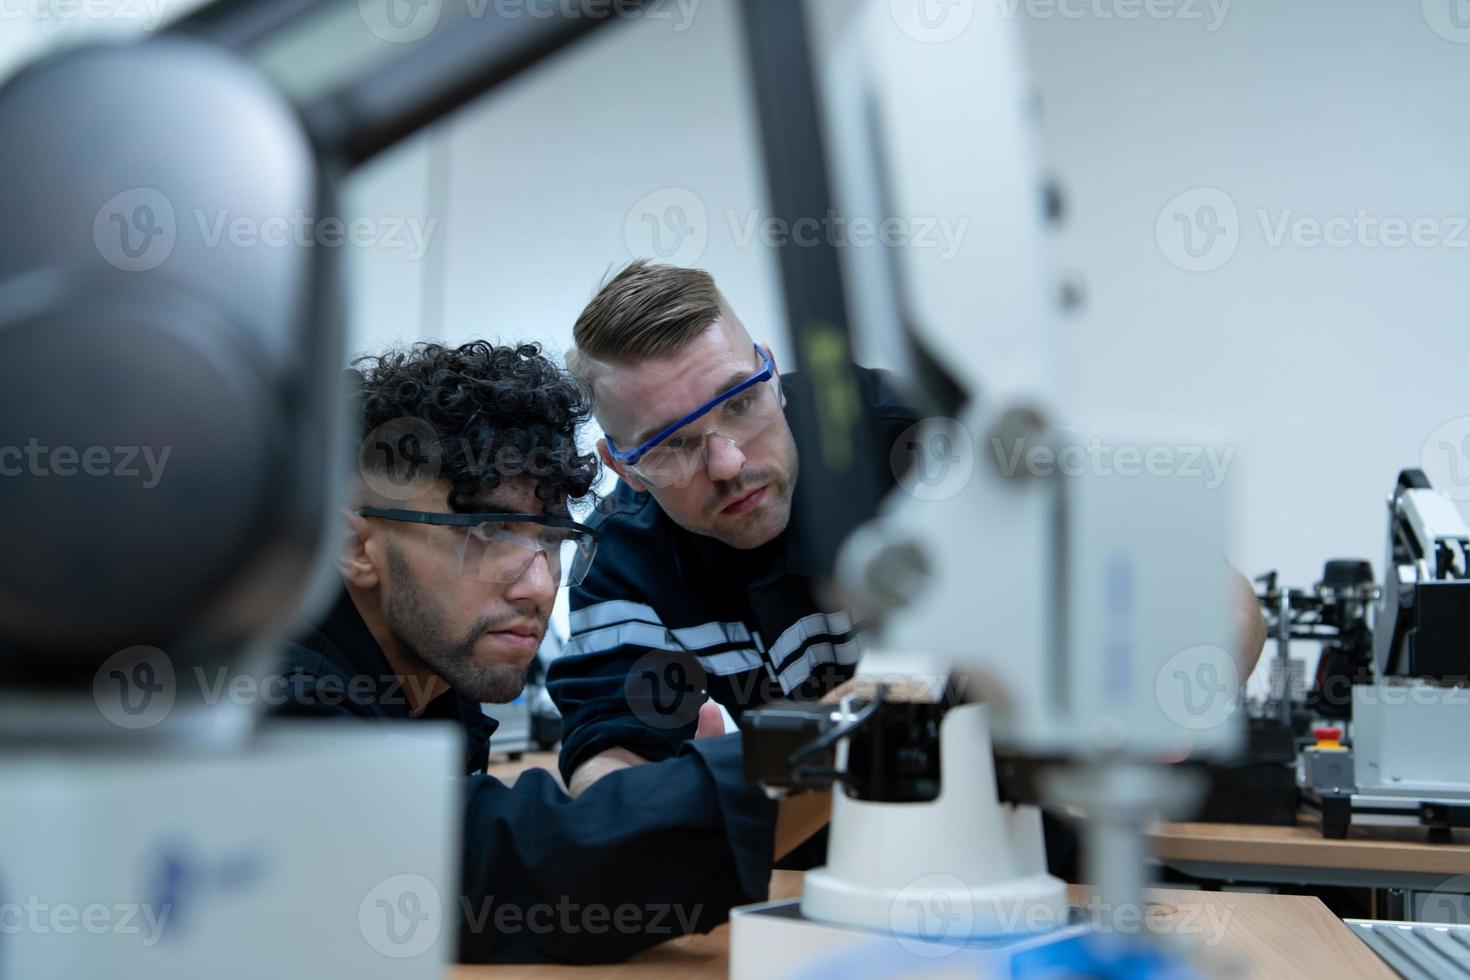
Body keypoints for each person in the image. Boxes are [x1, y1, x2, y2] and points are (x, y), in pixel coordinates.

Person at [547, 260, 1268, 802]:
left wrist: (1150, 700)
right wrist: (666, 796)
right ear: (624, 465)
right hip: (790, 868)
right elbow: (605, 780)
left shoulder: (918, 440)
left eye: (739, 403)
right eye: (673, 444)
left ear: (771, 373)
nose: (729, 463)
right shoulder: (621, 560)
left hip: (1010, 839)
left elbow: (1220, 603)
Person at [272, 339, 828, 963]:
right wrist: (836, 749)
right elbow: (503, 865)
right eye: (485, 531)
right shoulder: (273, 688)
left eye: (554, 538)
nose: (539, 586)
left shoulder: (431, 672)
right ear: (355, 547)